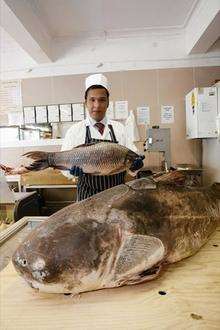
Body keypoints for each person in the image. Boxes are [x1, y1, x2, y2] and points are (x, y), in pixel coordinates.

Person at [61, 73, 144, 201]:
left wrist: (135, 166)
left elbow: (131, 164)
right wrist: (71, 172)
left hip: (116, 197)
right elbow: (64, 167)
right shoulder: (74, 131)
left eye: (102, 100)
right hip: (87, 199)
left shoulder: (119, 129)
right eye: (92, 100)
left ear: (108, 103)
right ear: (85, 103)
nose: (97, 105)